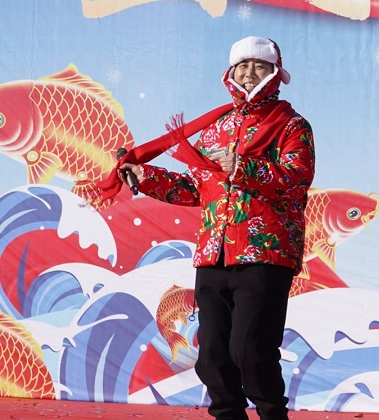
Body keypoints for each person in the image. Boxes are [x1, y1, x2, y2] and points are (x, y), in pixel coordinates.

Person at [115, 36, 315, 420]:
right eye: (243, 65)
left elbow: (296, 178)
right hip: (214, 252)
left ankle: (272, 415)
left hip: (264, 251)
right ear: (230, 72)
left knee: (251, 350)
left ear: (275, 73)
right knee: (211, 355)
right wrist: (146, 176)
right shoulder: (215, 128)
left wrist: (242, 167)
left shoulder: (292, 126)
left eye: (259, 65)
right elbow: (196, 189)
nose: (250, 72)